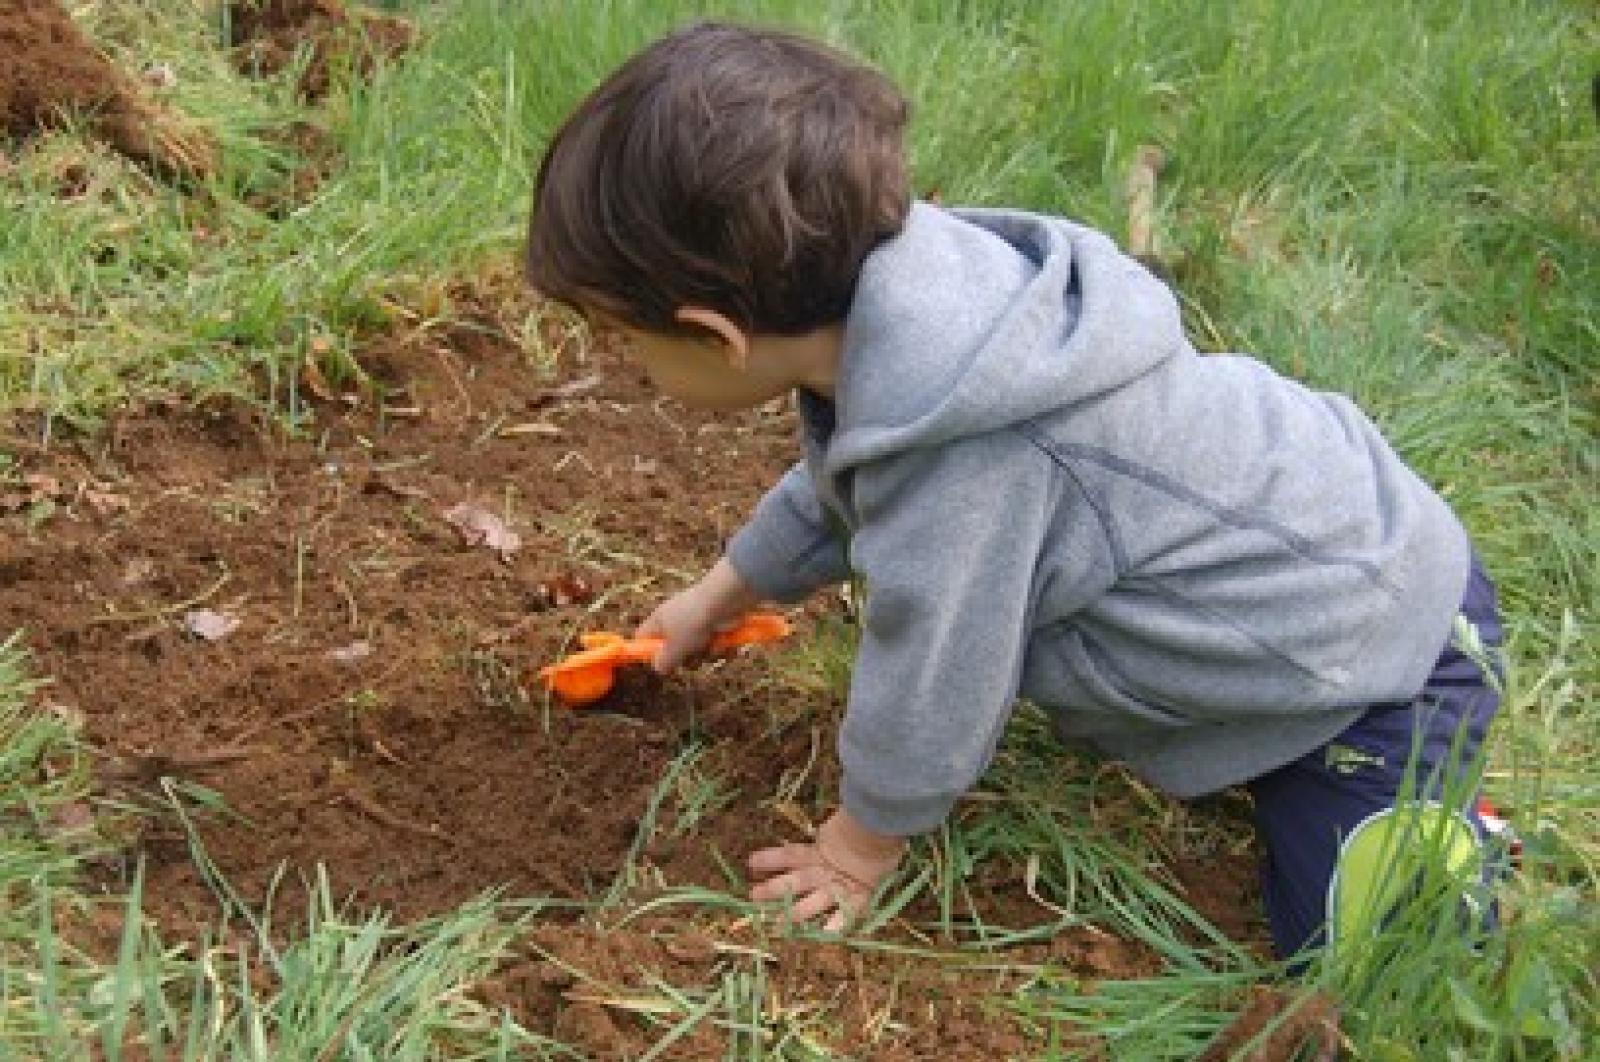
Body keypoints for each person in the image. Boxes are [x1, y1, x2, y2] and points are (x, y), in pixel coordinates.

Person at [523, 20, 1504, 961]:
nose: (628, 364)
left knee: (1349, 952)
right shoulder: (919, 311)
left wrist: (859, 847)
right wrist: (719, 595)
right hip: (1330, 550)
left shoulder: (970, 458)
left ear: (717, 336)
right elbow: (837, 484)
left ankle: (1452, 843)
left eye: (626, 342)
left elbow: (936, 674)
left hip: (1377, 659)